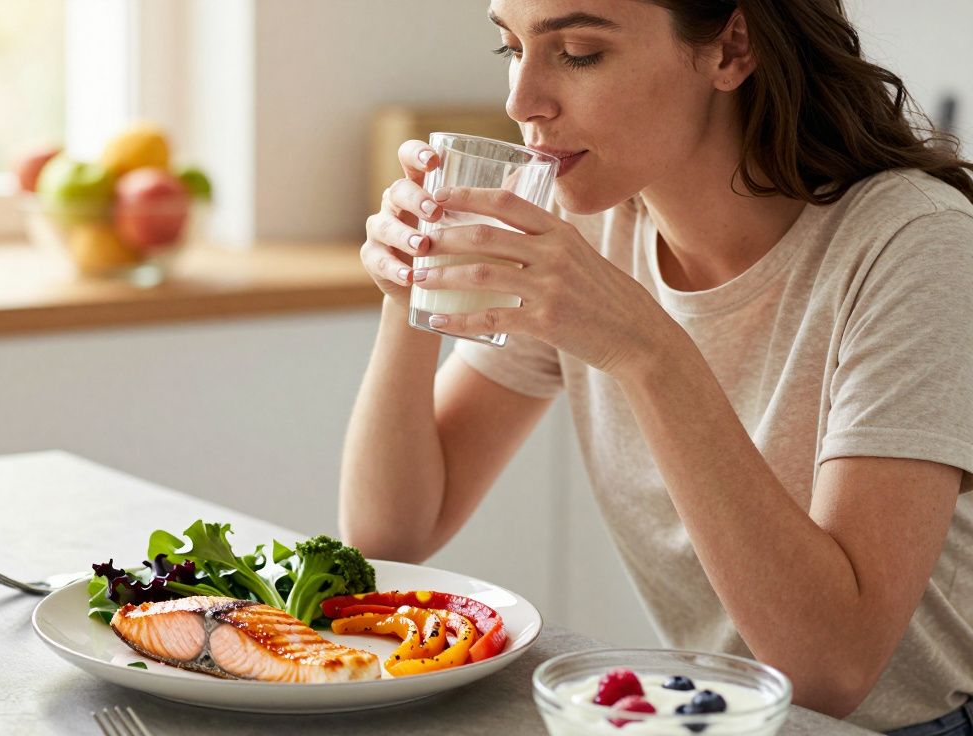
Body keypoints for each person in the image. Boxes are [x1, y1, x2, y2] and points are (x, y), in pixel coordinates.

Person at [340, 1, 973, 734]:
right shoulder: (591, 227)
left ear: (732, 48)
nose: (520, 100)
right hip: (716, 714)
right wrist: (408, 289)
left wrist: (647, 349)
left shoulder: (916, 247)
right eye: (509, 48)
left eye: (578, 52)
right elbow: (389, 534)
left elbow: (832, 672)